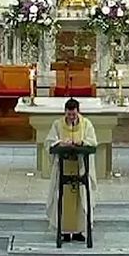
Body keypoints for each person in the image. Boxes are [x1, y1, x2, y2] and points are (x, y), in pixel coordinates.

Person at [45, 98, 97, 243]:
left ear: (78, 112)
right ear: (65, 112)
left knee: (81, 200)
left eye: (74, 115)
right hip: (63, 167)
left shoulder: (86, 124)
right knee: (62, 198)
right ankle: (65, 231)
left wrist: (82, 143)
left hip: (80, 168)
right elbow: (49, 142)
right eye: (69, 115)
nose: (71, 117)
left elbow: (93, 142)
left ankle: (79, 231)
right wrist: (60, 143)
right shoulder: (57, 124)